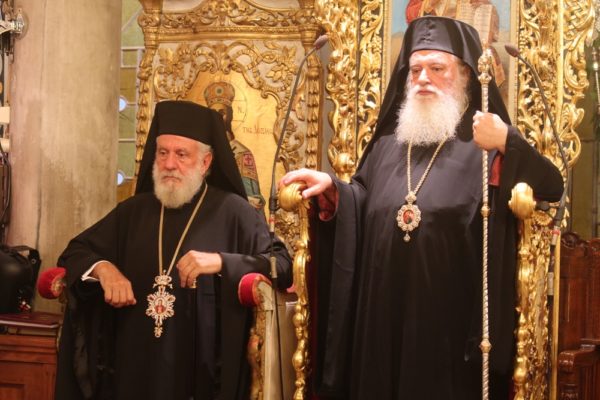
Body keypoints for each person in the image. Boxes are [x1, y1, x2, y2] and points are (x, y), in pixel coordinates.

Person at [281, 16, 563, 399]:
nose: (423, 78)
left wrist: (507, 141)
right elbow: (363, 202)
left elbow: (552, 186)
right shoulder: (386, 147)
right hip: (382, 314)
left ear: (465, 75)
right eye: (415, 70)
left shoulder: (484, 148)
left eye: (437, 68)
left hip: (450, 323)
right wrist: (335, 192)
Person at [55, 100, 292, 400]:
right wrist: (104, 268)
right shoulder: (134, 211)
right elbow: (77, 249)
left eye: (181, 154)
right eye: (163, 153)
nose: (169, 164)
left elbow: (282, 264)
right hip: (134, 369)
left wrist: (222, 262)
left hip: (201, 377)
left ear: (206, 162)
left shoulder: (234, 213)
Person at [204, 81, 266, 212]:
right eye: (213, 113)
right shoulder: (201, 151)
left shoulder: (241, 154)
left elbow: (254, 201)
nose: (217, 117)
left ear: (230, 115)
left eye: (222, 113)